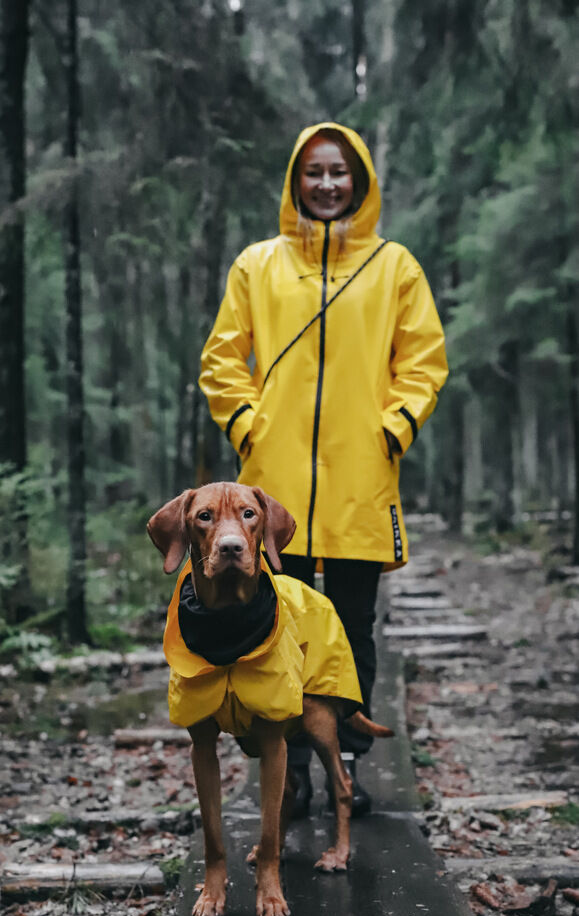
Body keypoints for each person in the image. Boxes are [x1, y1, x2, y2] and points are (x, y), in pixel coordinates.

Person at [198, 122, 448, 815]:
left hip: (359, 482)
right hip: (269, 493)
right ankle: (290, 769)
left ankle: (347, 764)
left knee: (347, 629)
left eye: (340, 171)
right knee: (273, 629)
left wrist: (391, 430)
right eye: (314, 171)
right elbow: (222, 359)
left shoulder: (394, 265)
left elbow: (422, 361)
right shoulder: (258, 264)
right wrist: (250, 427)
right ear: (294, 181)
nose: (327, 183)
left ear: (360, 181)